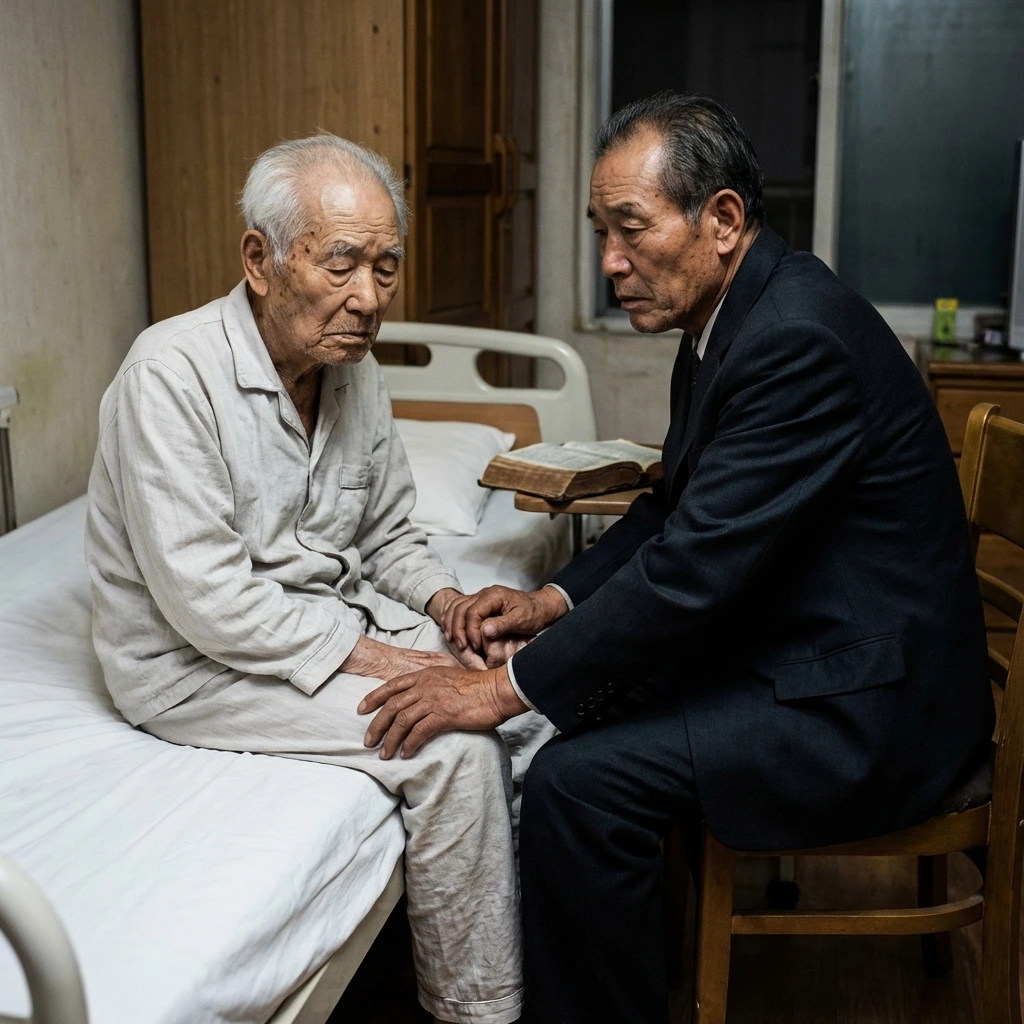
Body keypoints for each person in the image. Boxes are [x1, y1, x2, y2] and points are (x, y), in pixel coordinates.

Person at [359, 93, 995, 1023]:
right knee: (575, 718)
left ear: (723, 219)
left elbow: (693, 574)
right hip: (811, 646)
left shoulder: (796, 340)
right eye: (600, 232)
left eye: (632, 228)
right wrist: (552, 604)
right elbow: (670, 508)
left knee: (579, 784)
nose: (610, 261)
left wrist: (497, 690)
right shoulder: (729, 316)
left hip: (869, 707)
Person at [85, 134, 532, 1024]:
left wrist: (449, 608)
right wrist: (402, 666)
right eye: (342, 264)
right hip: (194, 666)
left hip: (324, 621)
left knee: (538, 692)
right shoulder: (169, 377)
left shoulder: (351, 371)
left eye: (385, 267)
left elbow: (388, 534)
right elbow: (210, 601)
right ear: (260, 260)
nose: (368, 299)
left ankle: (533, 948)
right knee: (452, 744)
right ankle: (478, 1009)